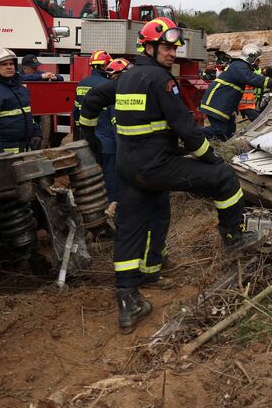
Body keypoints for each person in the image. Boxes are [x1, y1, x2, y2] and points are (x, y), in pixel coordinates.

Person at [112, 17, 255, 333]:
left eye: (174, 48)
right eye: (165, 47)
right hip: (157, 166)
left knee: (134, 225)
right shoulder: (162, 81)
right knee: (224, 179)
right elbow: (186, 130)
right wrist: (211, 157)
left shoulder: (126, 78)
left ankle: (129, 298)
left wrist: (97, 147)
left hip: (130, 167)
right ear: (148, 47)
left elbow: (98, 105)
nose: (171, 53)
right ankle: (234, 238)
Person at [199, 44, 272, 140]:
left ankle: (219, 144)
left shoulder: (240, 66)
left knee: (229, 131)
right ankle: (192, 135)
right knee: (220, 130)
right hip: (216, 104)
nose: (259, 61)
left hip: (221, 104)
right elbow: (251, 78)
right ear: (251, 58)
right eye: (258, 59)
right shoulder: (239, 66)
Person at [77, 56, 129, 206]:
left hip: (91, 141)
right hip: (110, 146)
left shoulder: (82, 84)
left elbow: (77, 113)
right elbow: (116, 126)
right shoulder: (114, 92)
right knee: (112, 183)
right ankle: (110, 209)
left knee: (94, 180)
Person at [0, 48, 42, 155]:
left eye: (11, 63)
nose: (9, 67)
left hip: (22, 150)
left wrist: (36, 133)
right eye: (4, 64)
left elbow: (27, 116)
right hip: (2, 152)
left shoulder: (21, 90)